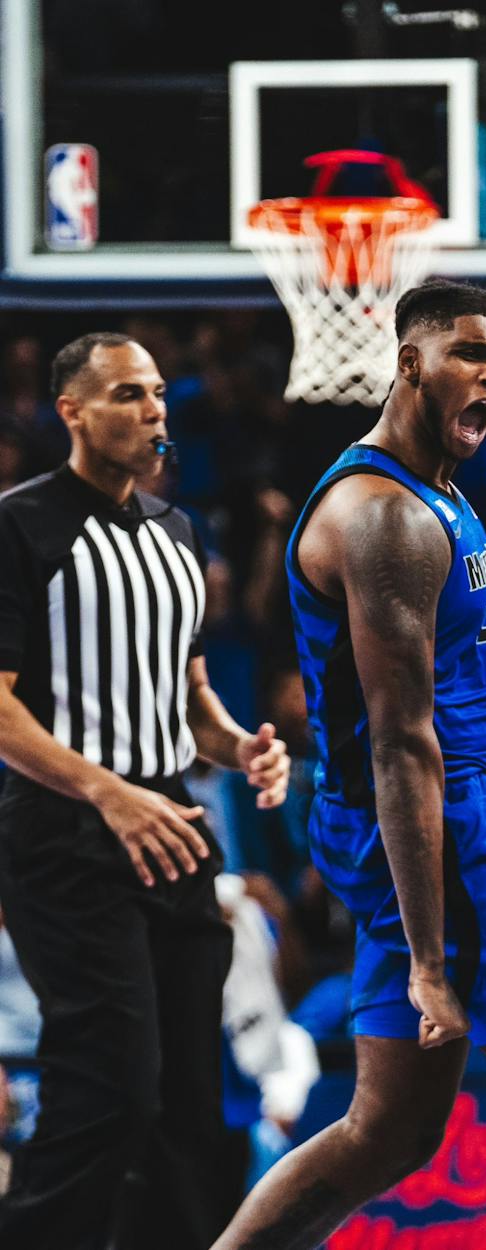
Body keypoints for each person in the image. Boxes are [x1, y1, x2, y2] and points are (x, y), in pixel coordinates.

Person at [211, 279, 486, 1250]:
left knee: (388, 1132)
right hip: (446, 829)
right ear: (409, 361)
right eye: (472, 354)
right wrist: (431, 958)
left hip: (429, 822)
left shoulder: (433, 493)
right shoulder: (387, 518)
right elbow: (403, 744)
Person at [0, 331, 291, 1250]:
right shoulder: (19, 525)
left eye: (158, 392)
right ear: (72, 411)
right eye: (127, 394)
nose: (154, 409)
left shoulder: (177, 533)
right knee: (108, 1088)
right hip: (65, 831)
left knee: (190, 1105)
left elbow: (189, 695)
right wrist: (108, 794)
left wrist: (243, 749)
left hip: (173, 822)